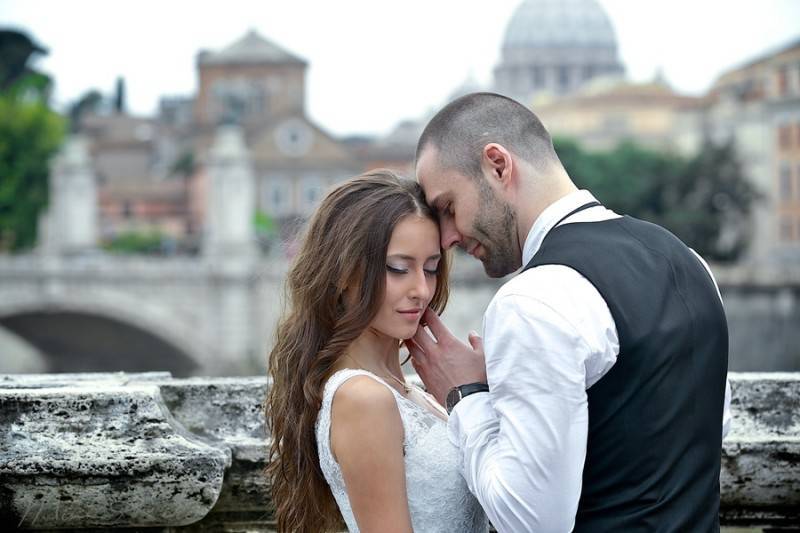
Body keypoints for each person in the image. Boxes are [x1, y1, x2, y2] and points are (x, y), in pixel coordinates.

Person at [407, 92, 731, 532]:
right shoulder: (690, 262)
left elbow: (531, 521)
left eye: (448, 207)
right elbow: (708, 425)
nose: (447, 238)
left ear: (498, 165)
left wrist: (466, 397)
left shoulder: (531, 301)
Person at [265, 170, 489, 533]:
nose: (422, 289)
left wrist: (474, 393)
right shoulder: (364, 399)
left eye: (431, 269)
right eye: (398, 269)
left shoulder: (404, 389)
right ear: (343, 272)